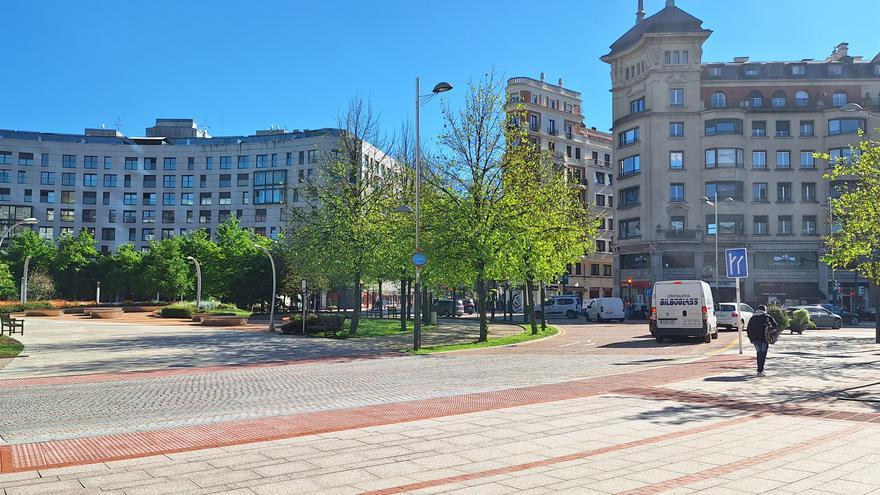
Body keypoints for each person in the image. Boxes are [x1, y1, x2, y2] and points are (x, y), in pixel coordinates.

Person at [745, 305, 778, 377]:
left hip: (755, 339)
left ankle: (759, 370)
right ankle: (760, 370)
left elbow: (748, 329)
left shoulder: (753, 318)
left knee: (759, 353)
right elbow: (775, 325)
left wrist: (751, 338)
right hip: (764, 338)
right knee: (763, 354)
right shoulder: (767, 317)